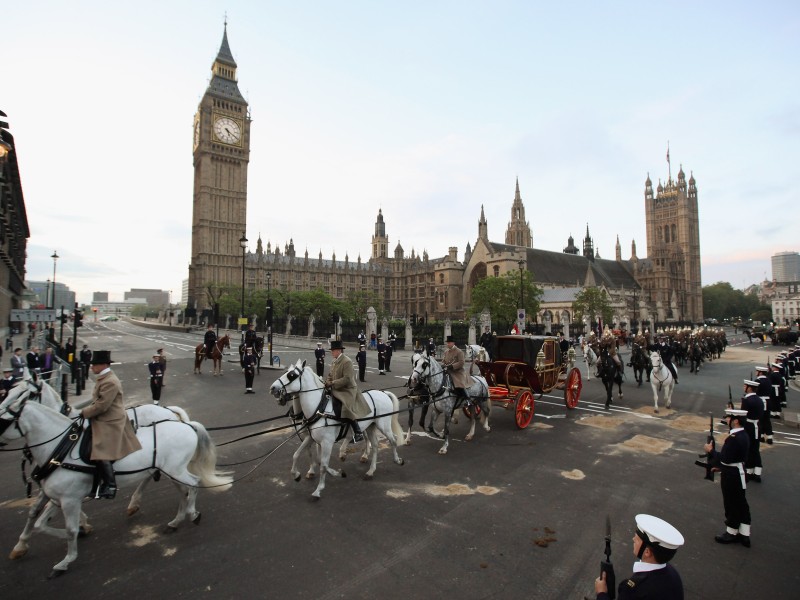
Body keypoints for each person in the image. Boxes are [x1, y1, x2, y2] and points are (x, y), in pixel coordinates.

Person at [80, 350, 142, 499]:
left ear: (103, 365)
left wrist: (83, 412)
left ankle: (110, 485)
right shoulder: (104, 378)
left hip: (111, 420)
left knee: (100, 449)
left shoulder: (110, 381)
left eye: (94, 364)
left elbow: (102, 406)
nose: (91, 367)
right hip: (102, 416)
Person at [594, 514, 684, 599]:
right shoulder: (673, 573)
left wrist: (601, 593)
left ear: (647, 552)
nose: (633, 539)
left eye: (637, 539)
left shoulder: (633, 590)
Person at [704, 407, 752, 547]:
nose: (727, 420)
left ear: (736, 421)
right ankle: (744, 534)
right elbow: (734, 458)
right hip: (739, 471)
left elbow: (725, 458)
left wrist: (711, 451)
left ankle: (731, 532)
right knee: (741, 504)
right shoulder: (744, 435)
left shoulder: (733, 439)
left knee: (731, 504)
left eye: (729, 418)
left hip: (732, 476)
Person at [325, 340, 370, 442]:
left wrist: (332, 383)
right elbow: (330, 375)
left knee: (345, 406)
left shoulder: (347, 361)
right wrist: (327, 382)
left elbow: (347, 379)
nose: (331, 352)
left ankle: (358, 432)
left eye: (333, 350)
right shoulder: (334, 361)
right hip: (337, 388)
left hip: (347, 389)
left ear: (338, 350)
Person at [740, 379, 764, 482]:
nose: (744, 387)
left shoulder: (747, 400)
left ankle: (749, 472)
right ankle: (757, 472)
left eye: (745, 386)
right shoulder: (759, 400)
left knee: (748, 449)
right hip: (757, 426)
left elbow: (742, 416)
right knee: (755, 449)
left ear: (749, 388)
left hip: (749, 426)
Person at [442, 335, 473, 405]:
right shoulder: (446, 352)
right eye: (447, 343)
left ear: (453, 343)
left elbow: (462, 362)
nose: (447, 344)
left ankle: (467, 399)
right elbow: (443, 360)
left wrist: (452, 366)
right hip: (448, 371)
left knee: (459, 383)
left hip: (457, 372)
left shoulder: (459, 351)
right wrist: (443, 364)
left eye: (449, 343)